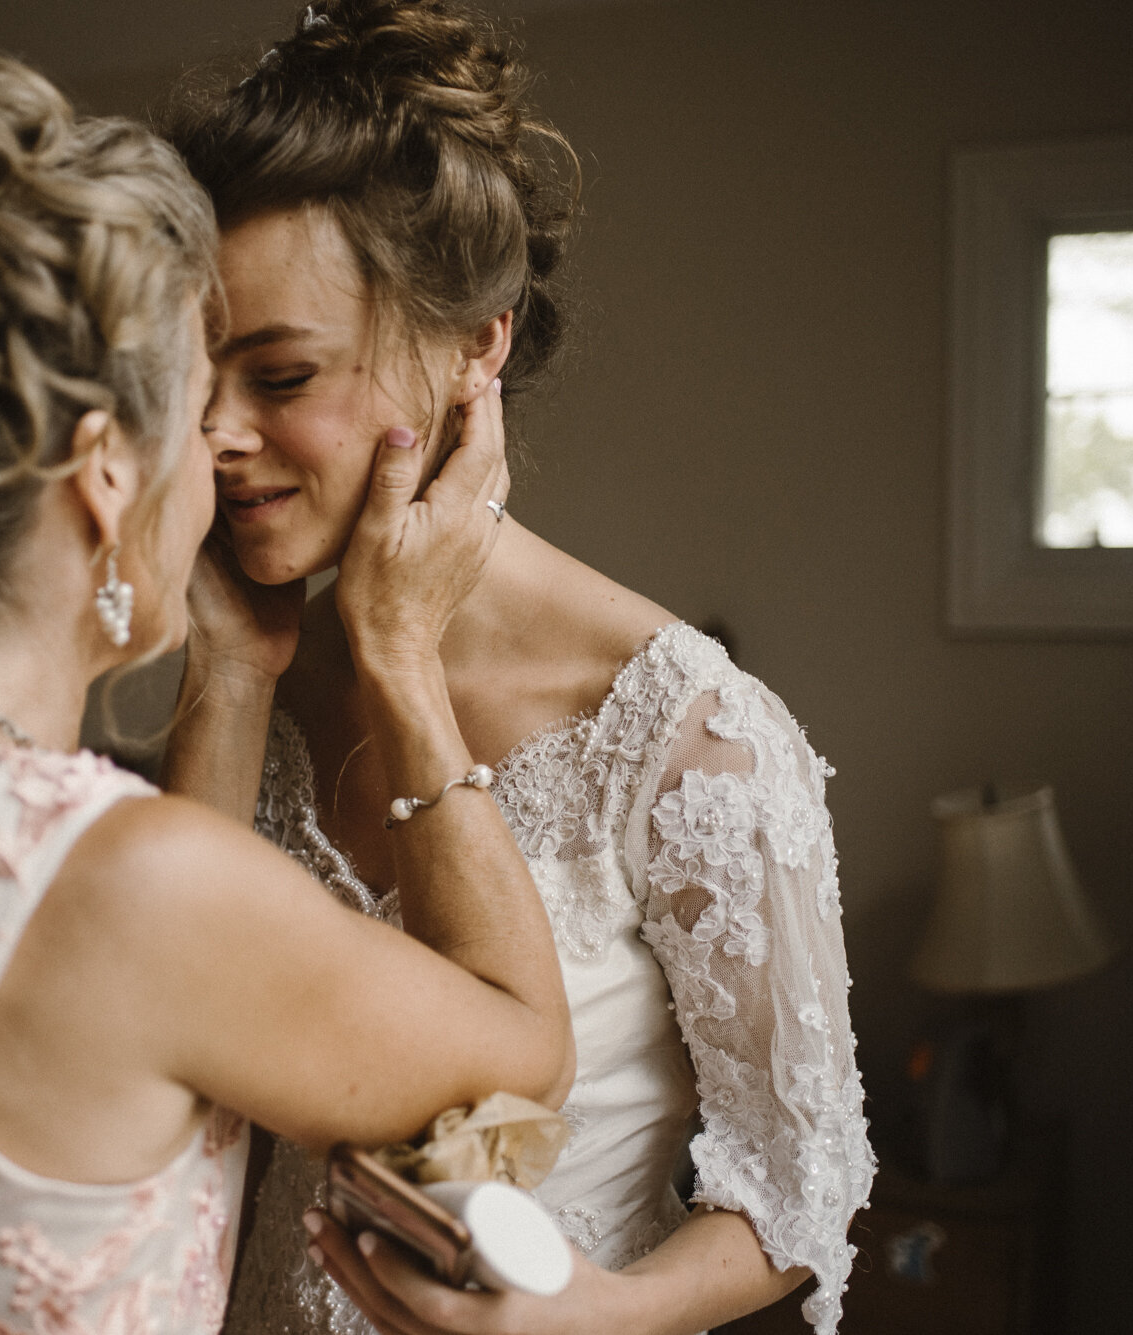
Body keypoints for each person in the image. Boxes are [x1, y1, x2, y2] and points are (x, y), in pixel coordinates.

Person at [0, 43, 577, 1335]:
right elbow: (526, 1047)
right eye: (194, 411)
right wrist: (401, 654)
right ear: (103, 477)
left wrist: (232, 670)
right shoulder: (124, 888)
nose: (226, 455)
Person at [162, 3, 874, 1333]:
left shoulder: (689, 732)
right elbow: (172, 1065)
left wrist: (591, 1317)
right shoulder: (251, 684)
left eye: (279, 374)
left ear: (475, 344)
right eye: (196, 377)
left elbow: (798, 1184)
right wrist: (229, 679)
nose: (214, 435)